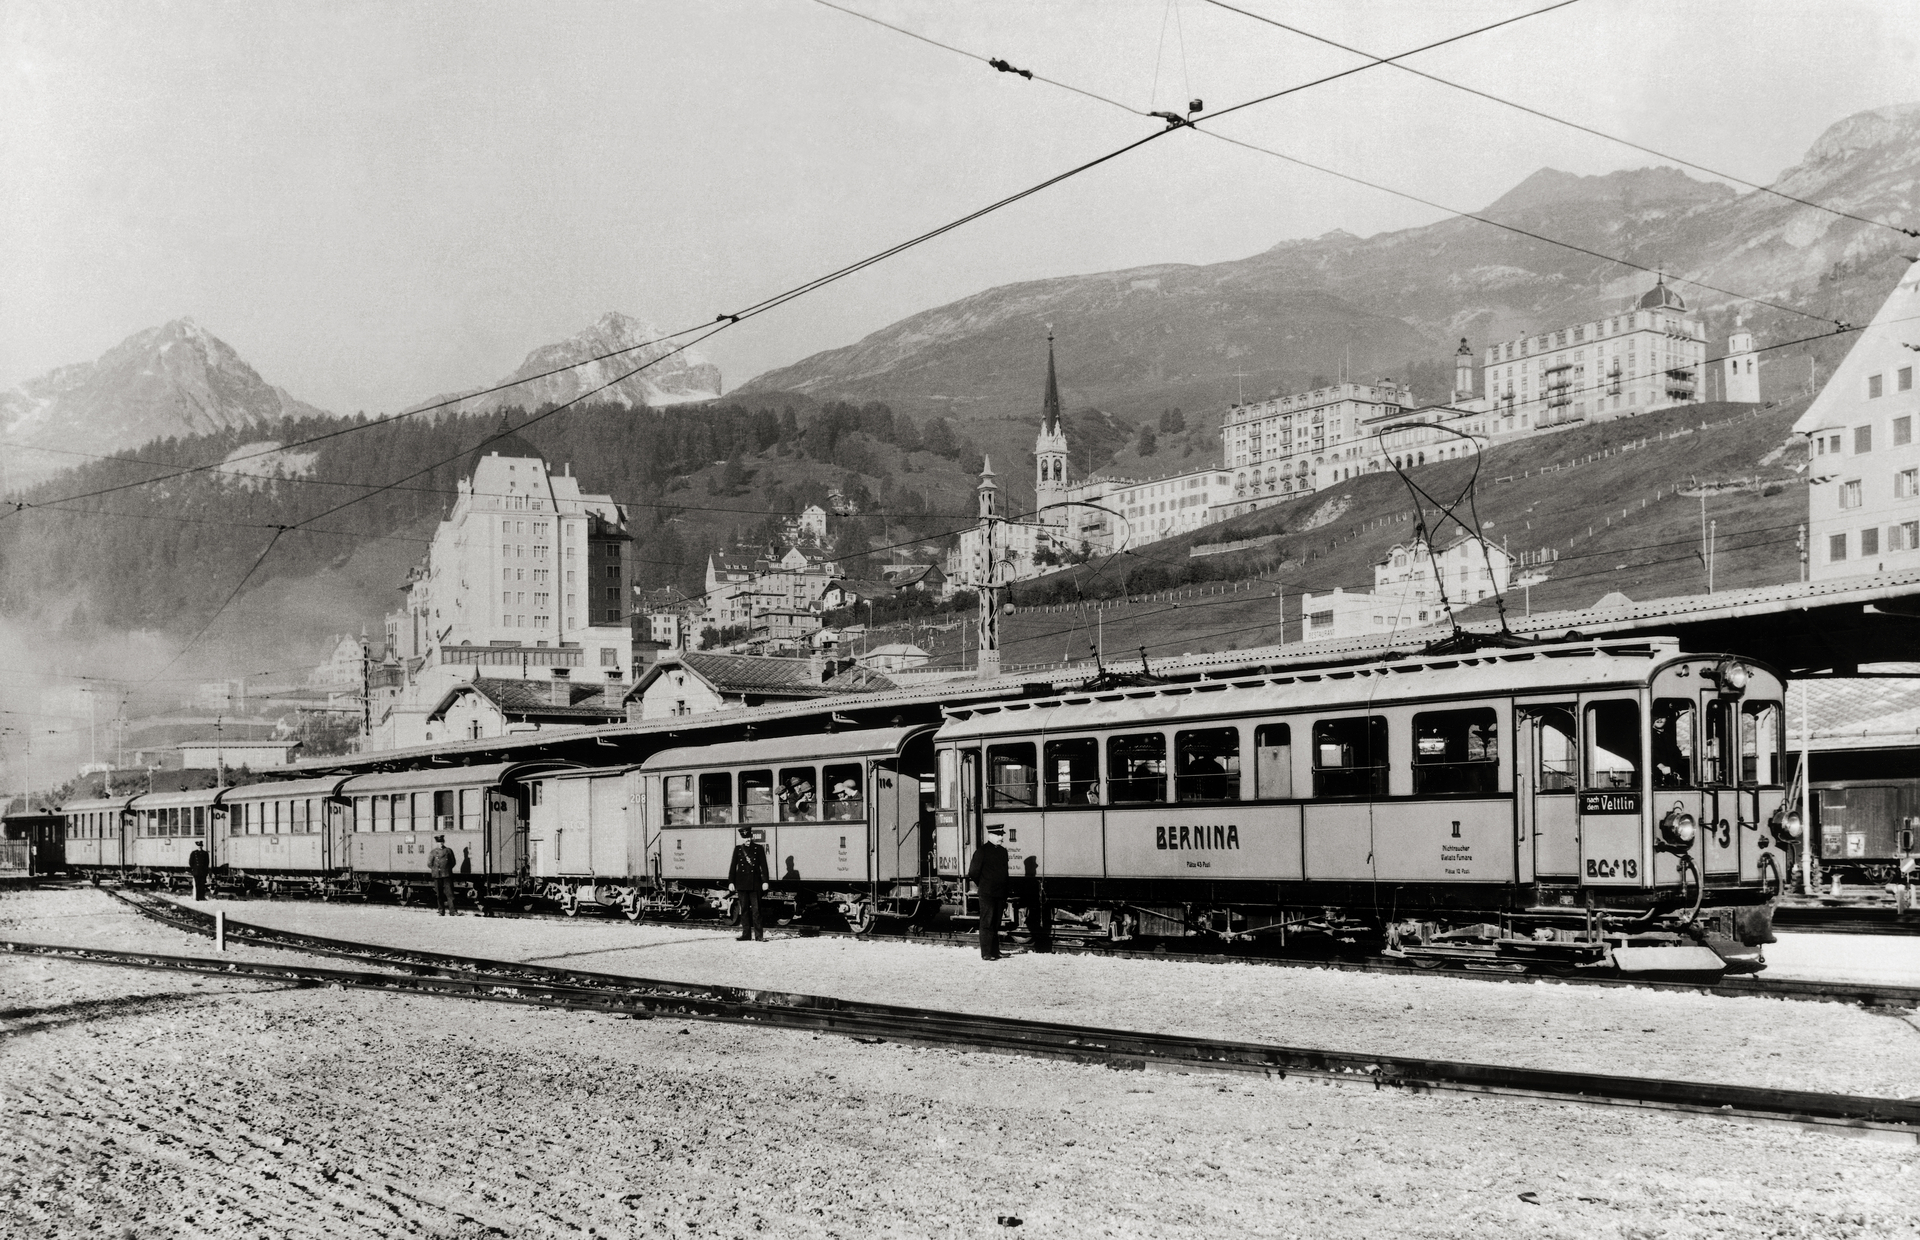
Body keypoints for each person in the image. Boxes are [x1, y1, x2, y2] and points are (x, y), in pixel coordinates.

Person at [967, 825, 1010, 960]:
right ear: (990, 836)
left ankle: (995, 951)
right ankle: (986, 953)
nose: (1001, 838)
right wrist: (984, 884)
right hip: (987, 893)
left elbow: (1005, 873)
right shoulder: (982, 851)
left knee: (996, 923)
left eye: (1001, 835)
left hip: (1000, 893)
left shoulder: (1003, 851)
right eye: (998, 835)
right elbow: (973, 872)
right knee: (987, 923)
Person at [728, 825, 770, 941]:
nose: (748, 840)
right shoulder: (738, 849)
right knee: (744, 910)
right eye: (745, 838)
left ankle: (759, 936)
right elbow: (733, 867)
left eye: (749, 837)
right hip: (741, 883)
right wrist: (731, 882)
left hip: (755, 884)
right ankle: (746, 935)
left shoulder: (758, 848)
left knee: (756, 911)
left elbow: (764, 866)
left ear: (751, 837)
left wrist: (765, 881)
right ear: (742, 838)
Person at [1019, 854, 1051, 953]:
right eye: (1034, 864)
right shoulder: (1030, 880)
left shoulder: (1030, 879)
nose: (1036, 866)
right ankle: (1040, 947)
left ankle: (1040, 946)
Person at [427, 834, 457, 916]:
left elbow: (453, 862)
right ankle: (441, 911)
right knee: (439, 894)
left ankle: (453, 911)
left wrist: (447, 869)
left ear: (443, 842)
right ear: (436, 843)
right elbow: (429, 864)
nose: (440, 844)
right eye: (439, 843)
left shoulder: (448, 851)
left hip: (446, 875)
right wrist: (436, 870)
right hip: (437, 875)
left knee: (450, 894)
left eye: (441, 842)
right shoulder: (433, 852)